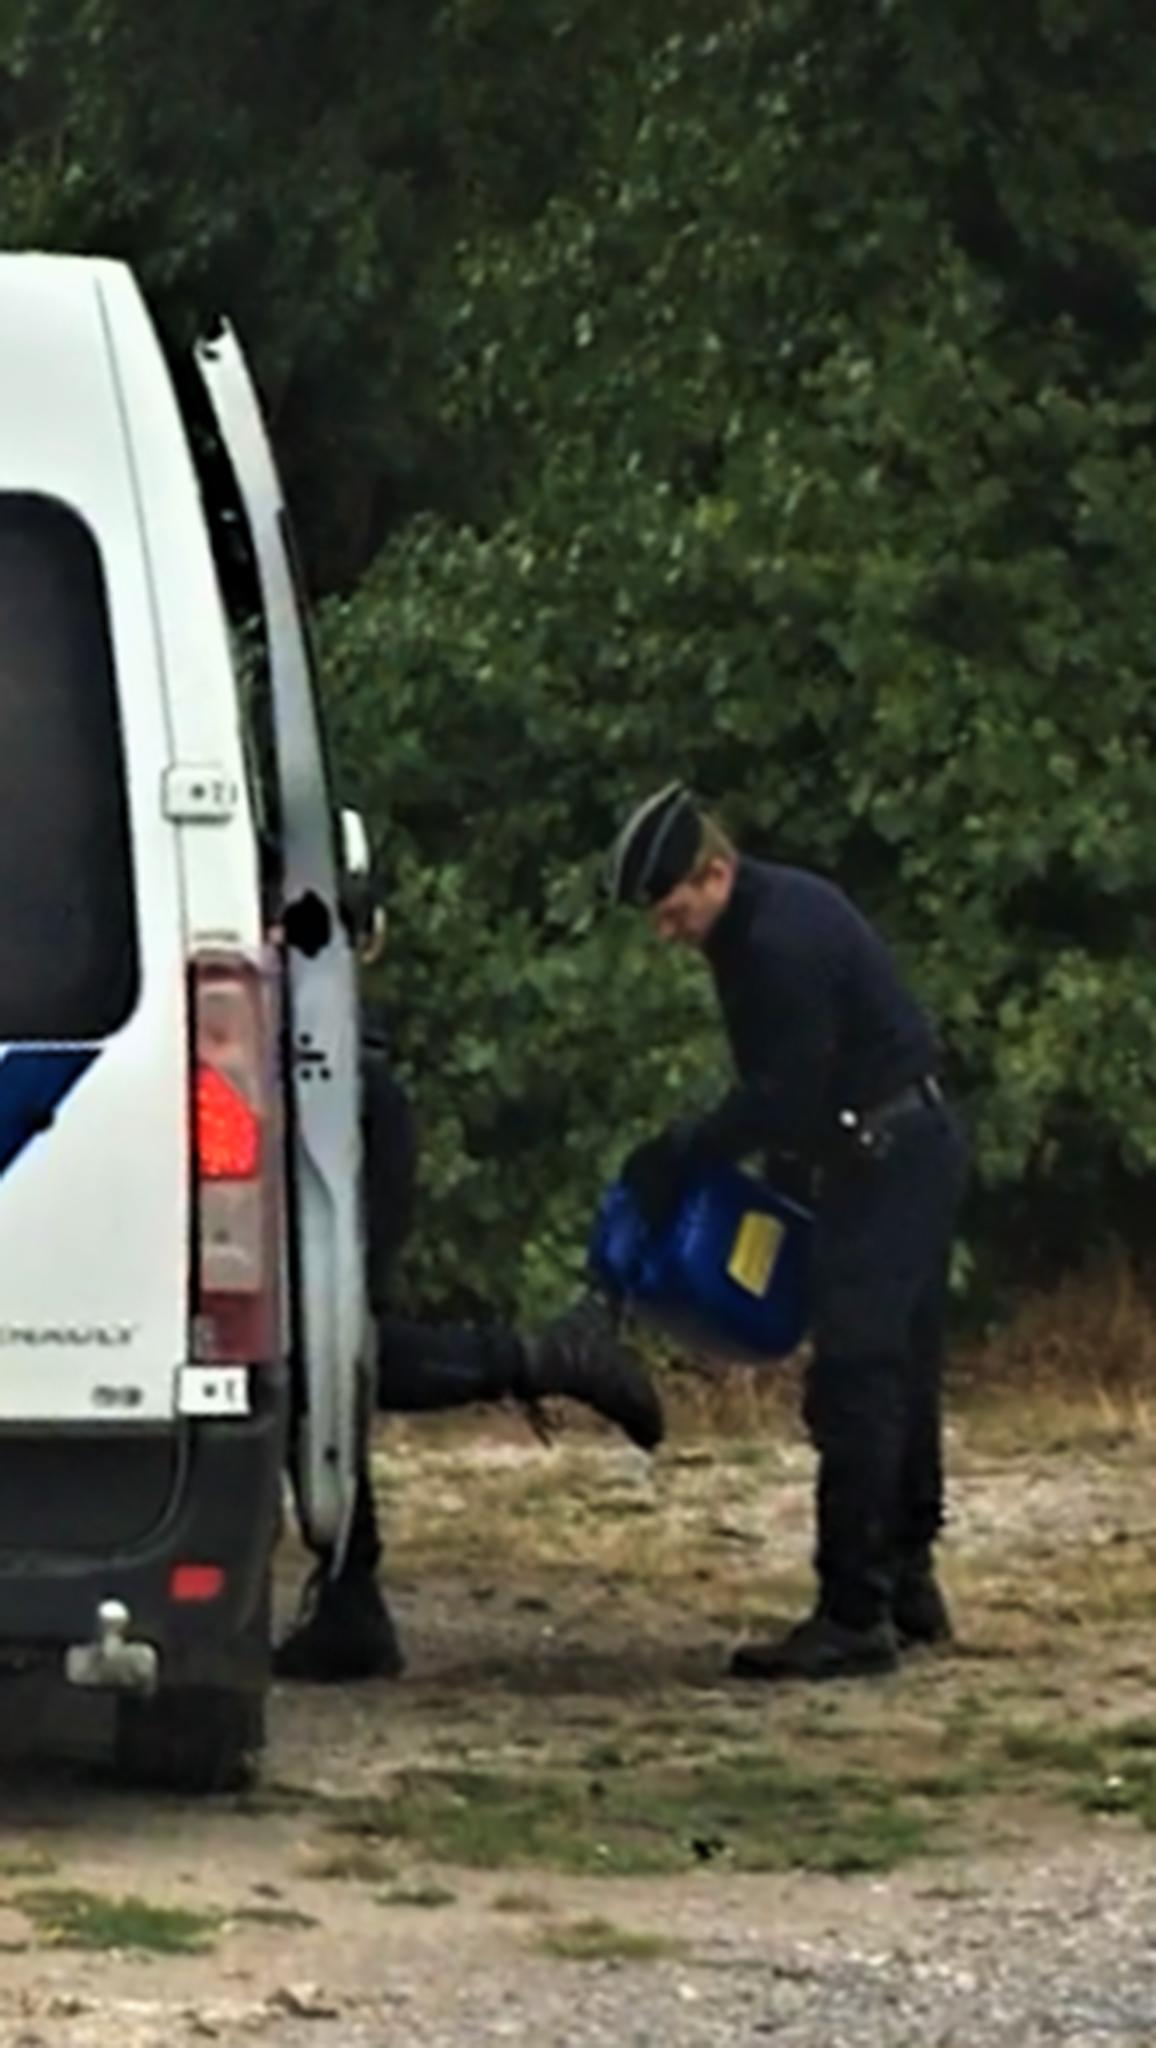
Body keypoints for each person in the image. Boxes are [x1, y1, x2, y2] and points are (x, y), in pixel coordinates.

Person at [606, 783, 967, 1683]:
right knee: (904, 1368)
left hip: (884, 1156)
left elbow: (783, 1092)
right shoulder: (774, 913)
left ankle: (853, 1613)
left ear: (715, 871)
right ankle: (907, 1579)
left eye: (672, 905)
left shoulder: (773, 941)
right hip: (903, 1145)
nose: (667, 929)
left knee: (857, 1379)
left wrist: (683, 1151)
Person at [275, 1009, 664, 1681]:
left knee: (317, 1352)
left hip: (327, 1095)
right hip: (331, 1090)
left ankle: (546, 1357)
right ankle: (349, 1600)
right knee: (320, 1354)